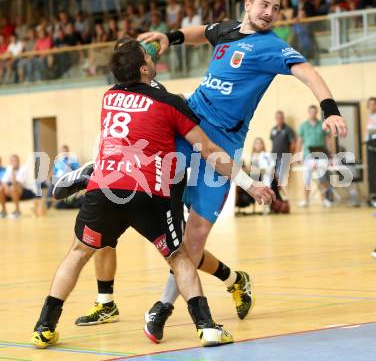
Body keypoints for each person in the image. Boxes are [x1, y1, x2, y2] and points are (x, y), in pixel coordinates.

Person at [65, 0, 347, 342]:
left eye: (275, 9)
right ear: (247, 5)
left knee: (193, 237)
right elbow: (202, 32)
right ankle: (100, 169)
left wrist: (330, 110)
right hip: (189, 124)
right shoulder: (227, 29)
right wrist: (170, 37)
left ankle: (165, 306)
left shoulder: (273, 47)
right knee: (148, 171)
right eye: (263, 5)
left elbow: (308, 72)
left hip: (225, 143)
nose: (269, 13)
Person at [30, 39, 275, 349]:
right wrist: (250, 184)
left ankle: (44, 326)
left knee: (78, 253)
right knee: (180, 257)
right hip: (149, 192)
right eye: (148, 55)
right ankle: (207, 326)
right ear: (145, 68)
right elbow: (211, 150)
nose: (153, 55)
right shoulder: (170, 103)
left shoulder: (109, 97)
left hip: (105, 188)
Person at [297, 105, 334, 208]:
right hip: (307, 156)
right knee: (306, 179)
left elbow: (328, 140)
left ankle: (324, 200)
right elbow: (300, 141)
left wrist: (331, 154)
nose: (313, 113)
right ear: (308, 113)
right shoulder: (303, 126)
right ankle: (305, 200)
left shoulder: (322, 125)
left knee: (321, 178)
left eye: (314, 112)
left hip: (321, 156)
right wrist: (297, 155)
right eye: (311, 112)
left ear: (316, 112)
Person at [0, 155, 36, 219]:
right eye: (12, 161)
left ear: (18, 162)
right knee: (1, 189)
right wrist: (6, 188)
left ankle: (17, 211)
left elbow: (17, 184)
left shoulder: (24, 168)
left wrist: (13, 172)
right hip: (15, 190)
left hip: (29, 191)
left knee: (13, 188)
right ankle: (4, 211)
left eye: (15, 161)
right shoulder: (9, 168)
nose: (13, 162)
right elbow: (3, 181)